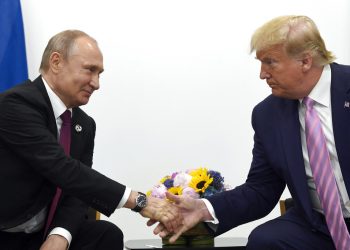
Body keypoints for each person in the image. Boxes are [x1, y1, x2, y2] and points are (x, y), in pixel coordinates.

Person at [151, 15, 350, 249]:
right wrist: (205, 208)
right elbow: (261, 189)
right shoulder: (267, 114)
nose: (262, 74)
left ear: (305, 61)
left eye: (270, 62)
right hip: (317, 224)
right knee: (265, 241)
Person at [0, 30, 180, 250]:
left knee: (106, 235)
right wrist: (138, 201)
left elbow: (77, 192)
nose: (96, 84)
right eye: (89, 70)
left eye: (100, 74)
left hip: (41, 234)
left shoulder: (84, 125)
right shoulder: (15, 104)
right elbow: (61, 168)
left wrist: (60, 236)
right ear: (56, 62)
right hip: (5, 231)